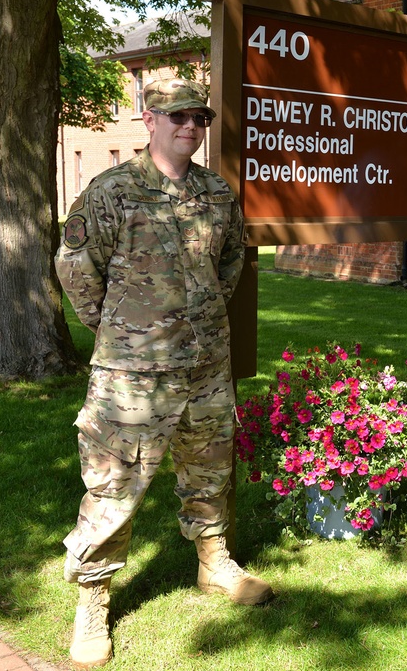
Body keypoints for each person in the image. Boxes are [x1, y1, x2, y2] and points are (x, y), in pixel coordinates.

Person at [55, 78, 272, 669]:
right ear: (149, 120)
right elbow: (77, 267)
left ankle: (213, 561)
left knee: (209, 467)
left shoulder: (215, 193)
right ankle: (93, 597)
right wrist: (116, 327)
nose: (190, 126)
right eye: (178, 116)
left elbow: (231, 261)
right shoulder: (112, 191)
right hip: (133, 372)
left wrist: (199, 317)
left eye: (199, 117)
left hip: (204, 363)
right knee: (113, 484)